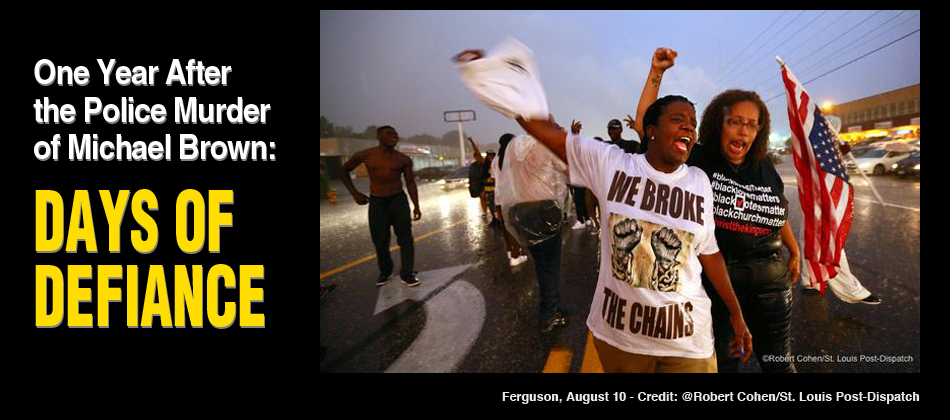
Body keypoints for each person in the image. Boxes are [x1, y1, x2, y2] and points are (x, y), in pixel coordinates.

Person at [633, 47, 801, 372]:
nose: (743, 131)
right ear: (717, 124)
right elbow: (646, 126)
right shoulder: (699, 160)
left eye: (752, 125)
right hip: (720, 287)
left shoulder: (764, 165)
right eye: (735, 122)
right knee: (726, 364)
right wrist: (657, 73)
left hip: (771, 281)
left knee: (779, 364)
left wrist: (795, 252)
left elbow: (776, 213)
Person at [341, 126, 422, 287]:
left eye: (396, 134)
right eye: (389, 134)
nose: (394, 136)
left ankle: (407, 273)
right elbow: (343, 171)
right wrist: (355, 194)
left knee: (406, 238)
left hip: (398, 200)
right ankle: (386, 271)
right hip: (377, 202)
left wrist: (416, 206)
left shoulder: (403, 159)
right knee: (380, 240)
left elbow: (410, 183)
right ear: (379, 136)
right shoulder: (366, 155)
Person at [493, 133, 529, 267]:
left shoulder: (495, 160)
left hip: (498, 198)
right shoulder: (514, 159)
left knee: (506, 227)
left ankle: (510, 251)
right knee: (515, 227)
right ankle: (515, 256)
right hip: (512, 198)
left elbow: (494, 178)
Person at [569, 120, 592, 230]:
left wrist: (574, 134)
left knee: (579, 199)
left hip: (580, 178)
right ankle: (587, 219)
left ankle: (580, 220)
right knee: (582, 199)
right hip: (583, 178)